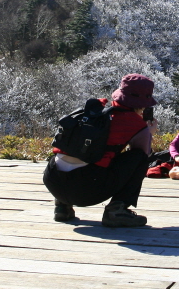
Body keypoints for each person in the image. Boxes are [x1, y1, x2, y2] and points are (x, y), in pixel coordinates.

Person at [43, 73, 157, 227]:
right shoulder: (135, 124)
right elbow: (143, 155)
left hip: (53, 180)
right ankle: (116, 210)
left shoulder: (95, 113)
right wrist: (147, 134)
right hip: (84, 191)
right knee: (139, 158)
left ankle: (62, 207)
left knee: (70, 153)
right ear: (143, 104)